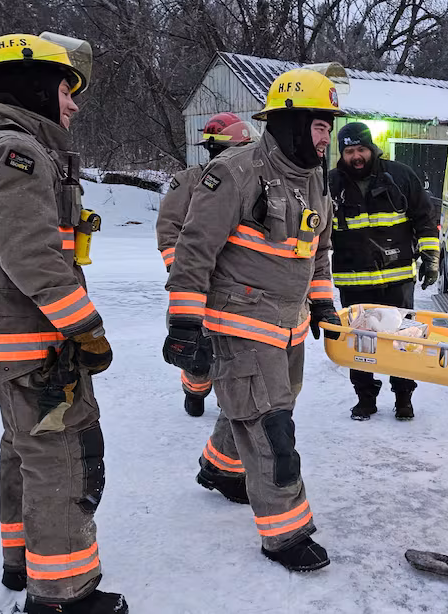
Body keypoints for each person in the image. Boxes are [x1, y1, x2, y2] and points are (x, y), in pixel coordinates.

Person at [0, 33, 128, 613]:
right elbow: (34, 257)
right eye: (66, 89)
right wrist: (85, 327)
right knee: (61, 455)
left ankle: (23, 562)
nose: (72, 104)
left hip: (8, 335)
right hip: (29, 338)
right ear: (34, 86)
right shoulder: (19, 154)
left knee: (23, 448)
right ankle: (63, 593)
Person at [161, 67, 343, 572]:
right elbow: (193, 250)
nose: (327, 135)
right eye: (319, 124)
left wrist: (323, 302)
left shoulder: (315, 181)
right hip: (240, 322)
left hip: (289, 326)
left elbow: (319, 250)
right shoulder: (236, 173)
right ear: (288, 123)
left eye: (329, 125)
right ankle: (285, 535)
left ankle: (220, 470)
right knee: (272, 429)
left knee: (254, 408)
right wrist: (184, 323)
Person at [327, 121, 439, 421]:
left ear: (372, 148)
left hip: (398, 279)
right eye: (349, 151)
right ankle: (365, 399)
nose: (356, 156)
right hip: (354, 282)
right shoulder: (330, 184)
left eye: (361, 149)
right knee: (360, 340)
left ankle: (404, 398)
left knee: (403, 340)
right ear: (342, 153)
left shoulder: (400, 176)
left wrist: (430, 256)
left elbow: (424, 218)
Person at [156, 113, 254, 417]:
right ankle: (195, 390)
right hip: (197, 285)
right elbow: (168, 229)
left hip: (239, 286)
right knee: (195, 348)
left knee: (236, 347)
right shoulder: (188, 182)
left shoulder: (254, 182)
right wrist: (183, 272)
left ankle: (231, 401)